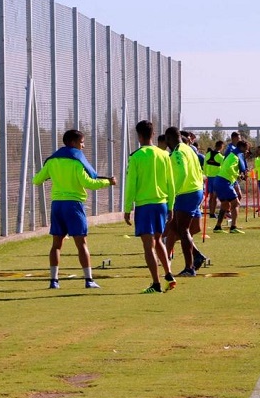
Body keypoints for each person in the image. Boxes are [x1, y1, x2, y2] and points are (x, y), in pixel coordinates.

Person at [32, 129, 115, 289]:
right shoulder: (77, 161)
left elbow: (36, 180)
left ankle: (54, 281)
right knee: (81, 243)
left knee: (56, 244)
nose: (83, 146)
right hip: (74, 206)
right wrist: (108, 183)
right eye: (81, 142)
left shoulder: (52, 161)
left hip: (57, 206)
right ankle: (89, 280)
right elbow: (89, 183)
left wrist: (52, 174)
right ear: (73, 143)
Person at [124, 120, 177, 293]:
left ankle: (156, 284)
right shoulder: (163, 155)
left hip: (144, 205)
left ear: (139, 136)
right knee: (158, 240)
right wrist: (171, 205)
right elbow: (171, 182)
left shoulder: (136, 156)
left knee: (148, 245)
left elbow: (131, 184)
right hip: (161, 204)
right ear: (153, 134)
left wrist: (127, 208)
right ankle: (168, 274)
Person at [164, 126, 205, 276]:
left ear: (169, 139)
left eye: (167, 141)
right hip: (195, 190)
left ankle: (190, 268)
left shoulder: (178, 152)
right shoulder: (189, 149)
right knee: (174, 228)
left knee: (183, 230)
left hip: (186, 193)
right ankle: (197, 255)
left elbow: (183, 173)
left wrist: (173, 193)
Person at [212, 140, 249, 234]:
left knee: (225, 205)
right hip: (224, 182)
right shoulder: (234, 157)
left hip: (219, 181)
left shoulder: (232, 155)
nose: (247, 150)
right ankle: (233, 227)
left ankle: (217, 227)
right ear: (241, 147)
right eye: (246, 148)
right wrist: (239, 175)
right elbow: (230, 168)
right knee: (236, 203)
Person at [204, 141, 225, 218]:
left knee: (211, 196)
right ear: (221, 147)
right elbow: (223, 169)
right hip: (216, 178)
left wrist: (205, 175)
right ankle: (212, 213)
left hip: (208, 178)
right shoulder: (221, 157)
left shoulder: (208, 154)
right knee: (214, 197)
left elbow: (204, 166)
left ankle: (211, 213)